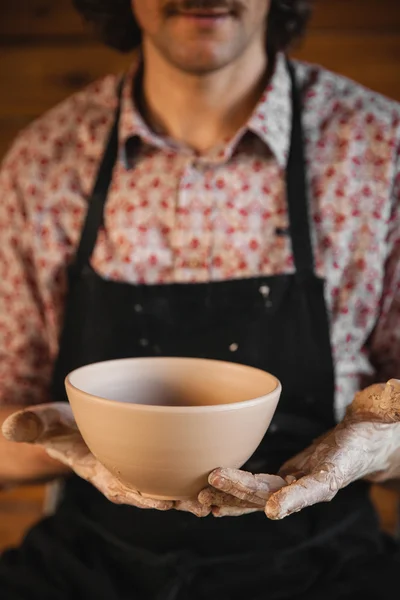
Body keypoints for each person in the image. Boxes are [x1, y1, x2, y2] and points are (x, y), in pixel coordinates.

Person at [1, 0, 400, 598]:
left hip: (327, 564)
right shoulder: (45, 165)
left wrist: (380, 448)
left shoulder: (378, 153)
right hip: (91, 565)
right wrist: (48, 438)